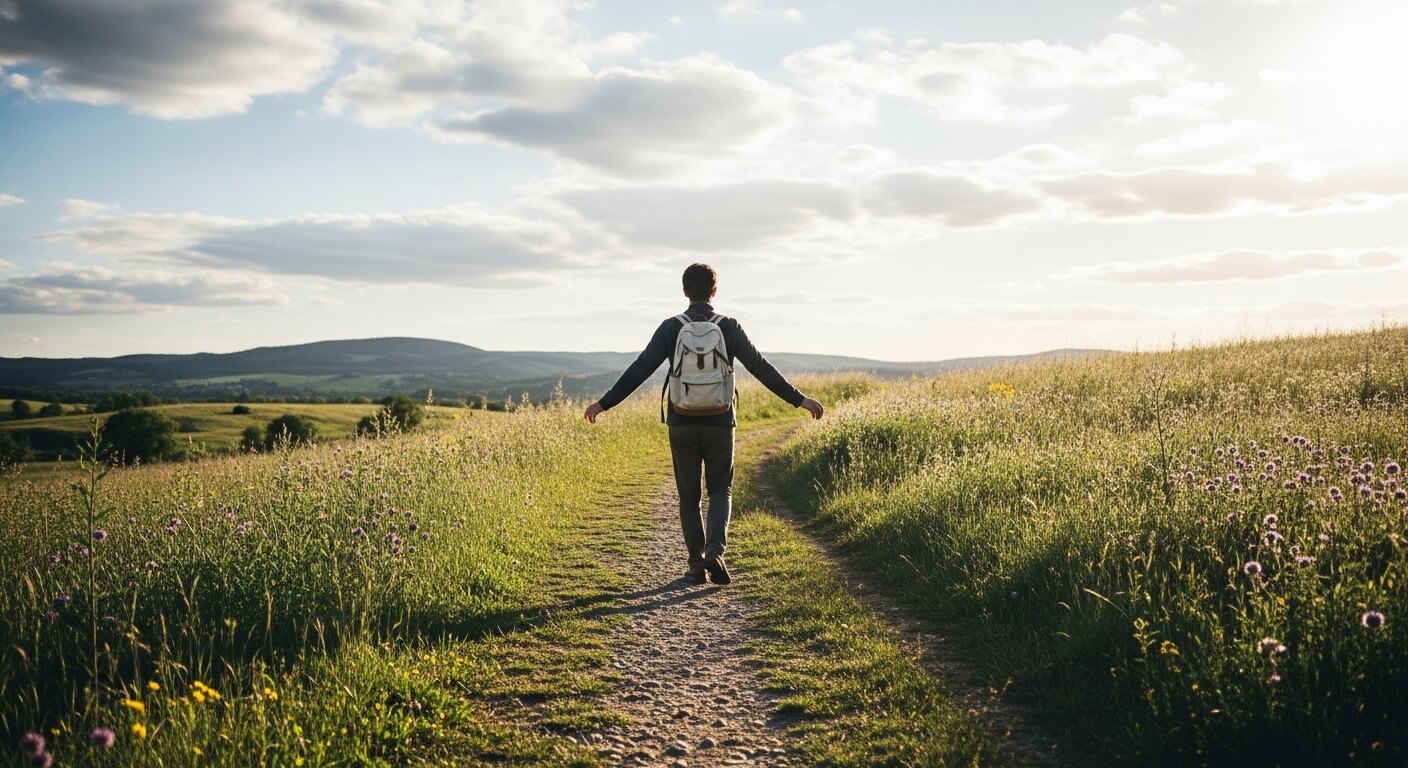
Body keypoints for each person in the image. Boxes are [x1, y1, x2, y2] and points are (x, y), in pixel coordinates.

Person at [583, 263, 824, 585]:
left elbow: (640, 368)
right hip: (721, 420)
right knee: (720, 488)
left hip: (681, 421)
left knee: (689, 496)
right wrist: (800, 400)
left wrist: (604, 403)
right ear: (714, 291)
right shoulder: (729, 326)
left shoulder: (671, 327)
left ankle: (696, 565)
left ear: (684, 291)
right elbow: (760, 367)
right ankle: (715, 550)